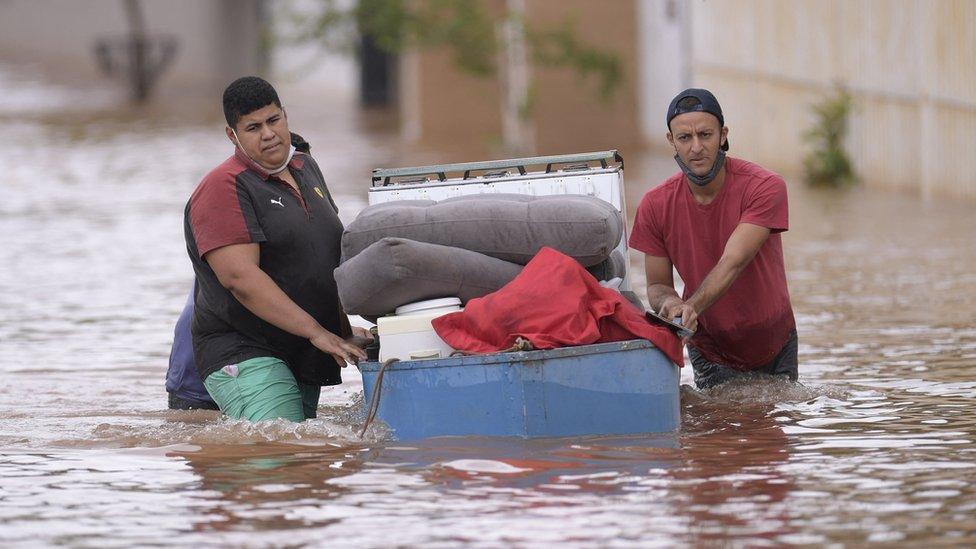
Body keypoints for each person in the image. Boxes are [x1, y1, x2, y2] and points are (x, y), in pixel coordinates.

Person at [183, 76, 368, 422]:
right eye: (253, 127)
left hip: (303, 348)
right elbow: (240, 277)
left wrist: (342, 332)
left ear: (285, 115)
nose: (268, 134)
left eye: (273, 120)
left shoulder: (305, 167)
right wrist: (317, 332)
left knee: (307, 466)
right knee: (279, 458)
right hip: (245, 349)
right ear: (232, 135)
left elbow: (321, 261)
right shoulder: (223, 187)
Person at [629, 88, 797, 389]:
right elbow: (657, 286)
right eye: (685, 138)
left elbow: (734, 261)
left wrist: (692, 305)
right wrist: (672, 306)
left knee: (772, 431)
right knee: (714, 433)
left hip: (774, 343)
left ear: (723, 135)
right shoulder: (655, 205)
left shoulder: (766, 187)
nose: (696, 147)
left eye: (705, 135)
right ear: (671, 141)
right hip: (710, 349)